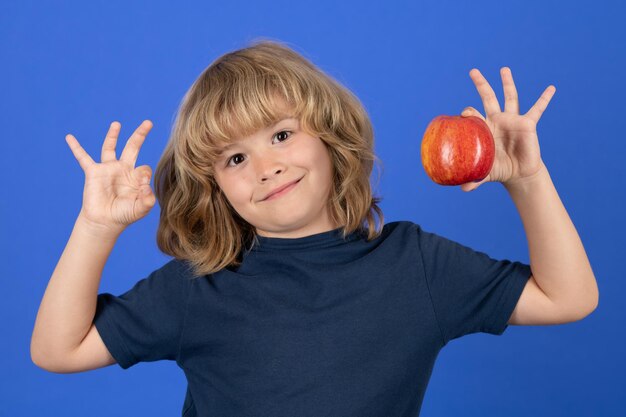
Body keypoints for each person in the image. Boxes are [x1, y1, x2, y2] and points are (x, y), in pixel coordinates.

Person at [31, 39, 599, 417]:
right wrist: (95, 227)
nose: (266, 167)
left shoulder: (416, 265)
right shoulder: (197, 285)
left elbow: (567, 297)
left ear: (331, 138)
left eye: (281, 136)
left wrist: (528, 179)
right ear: (216, 190)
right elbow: (57, 351)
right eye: (234, 159)